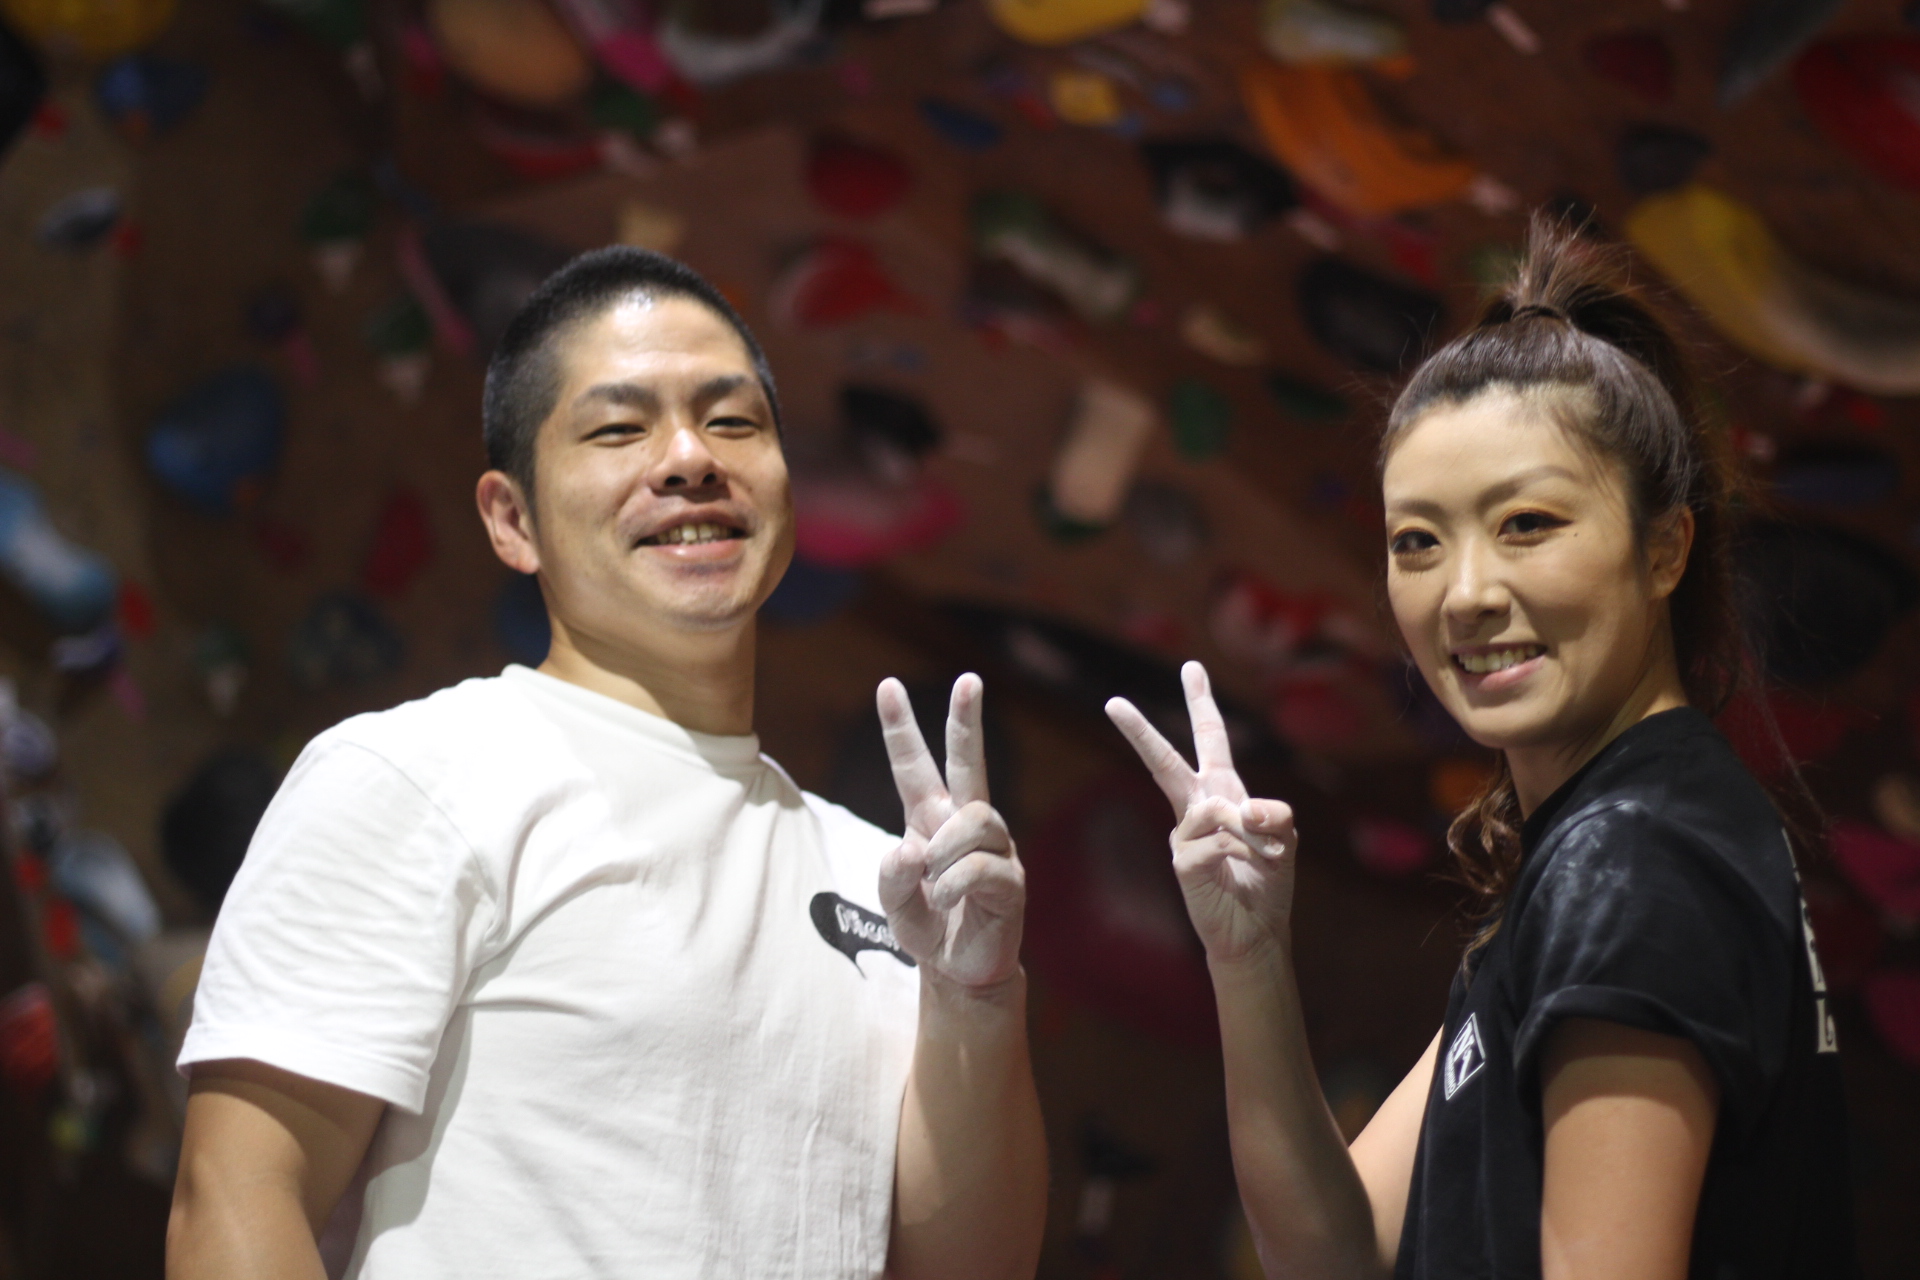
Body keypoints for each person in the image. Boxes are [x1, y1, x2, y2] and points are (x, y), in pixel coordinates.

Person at [165, 248, 1047, 1280]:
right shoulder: (416, 775)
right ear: (513, 519)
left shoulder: (884, 880)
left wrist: (977, 997)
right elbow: (236, 1201)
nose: (690, 457)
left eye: (734, 422)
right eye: (620, 428)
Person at [1107, 220, 1856, 1280]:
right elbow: (1332, 1252)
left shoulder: (1634, 858)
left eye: (1527, 524)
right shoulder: (1604, 848)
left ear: (1664, 548)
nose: (1464, 593)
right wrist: (1250, 957)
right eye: (1417, 541)